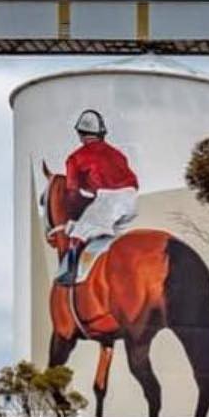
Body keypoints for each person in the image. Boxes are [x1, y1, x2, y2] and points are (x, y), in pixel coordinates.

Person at [57, 109, 139, 285]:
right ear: (101, 133)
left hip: (109, 198)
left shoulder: (75, 158)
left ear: (80, 134)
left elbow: (72, 192)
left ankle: (72, 275)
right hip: (131, 198)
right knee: (112, 240)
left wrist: (72, 218)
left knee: (78, 233)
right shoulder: (118, 154)